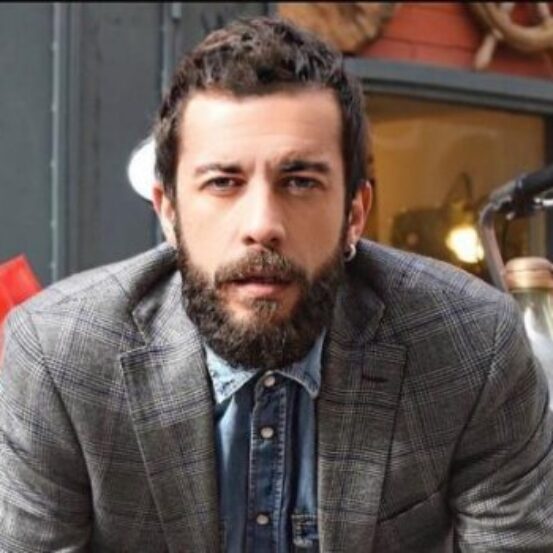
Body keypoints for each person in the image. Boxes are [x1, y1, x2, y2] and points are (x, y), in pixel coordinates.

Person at [0, 16, 552, 553]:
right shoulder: (60, 358)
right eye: (223, 182)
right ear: (168, 210)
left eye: (300, 182)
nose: (262, 225)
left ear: (355, 213)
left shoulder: (473, 348)